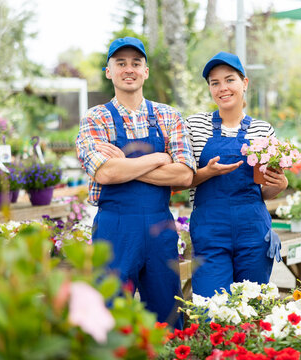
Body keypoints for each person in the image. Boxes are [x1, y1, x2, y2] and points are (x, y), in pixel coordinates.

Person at [75, 37, 196, 329]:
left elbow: (184, 175)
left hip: (159, 228)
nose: (128, 69)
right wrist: (160, 157)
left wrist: (124, 165)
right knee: (111, 316)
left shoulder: (168, 116)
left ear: (146, 71)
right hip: (115, 228)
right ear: (109, 71)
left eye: (135, 63)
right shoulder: (95, 118)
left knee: (167, 313)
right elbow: (104, 174)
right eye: (120, 63)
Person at [185, 51, 288, 297]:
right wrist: (206, 173)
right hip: (210, 231)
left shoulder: (263, 130)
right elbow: (180, 181)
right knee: (210, 307)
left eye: (230, 79)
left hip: (252, 230)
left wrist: (280, 184)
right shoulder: (194, 126)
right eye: (215, 82)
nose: (223, 88)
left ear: (245, 83)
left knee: (251, 308)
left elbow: (264, 191)